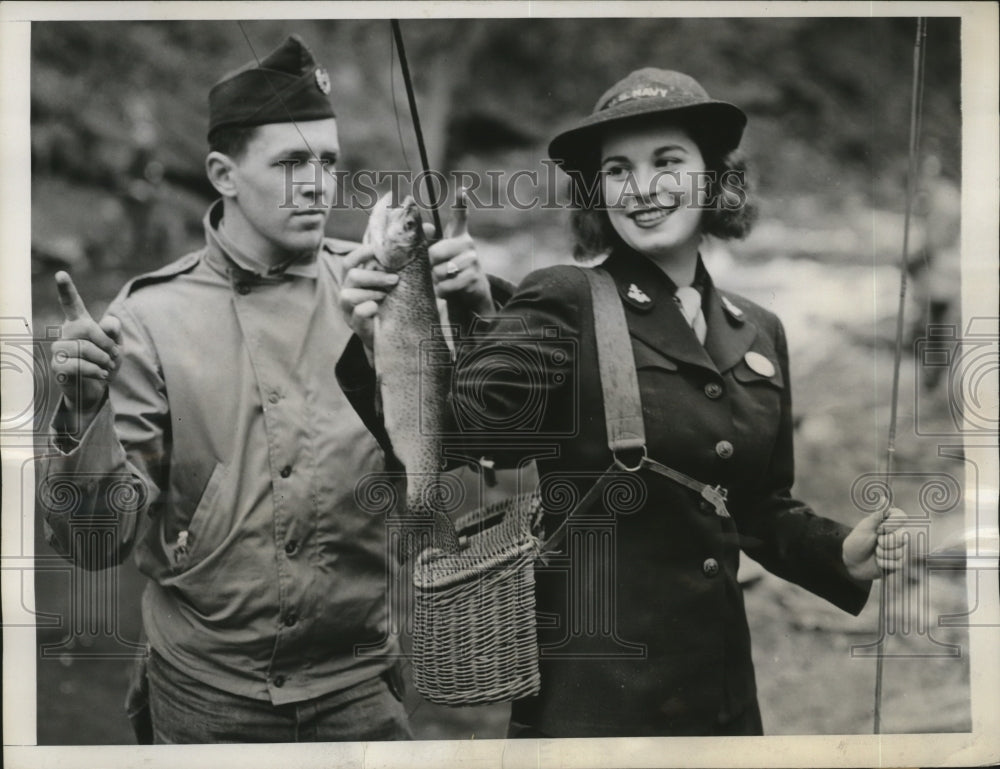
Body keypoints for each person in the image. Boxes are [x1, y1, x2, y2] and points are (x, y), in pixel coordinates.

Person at [37, 35, 493, 744]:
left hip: (360, 686)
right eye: (290, 162)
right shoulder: (145, 319)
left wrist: (470, 314)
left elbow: (464, 465)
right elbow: (95, 544)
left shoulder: (380, 287)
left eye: (328, 162)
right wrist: (82, 408)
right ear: (222, 173)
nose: (317, 183)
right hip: (206, 696)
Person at [438, 69, 907, 737]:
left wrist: (839, 553)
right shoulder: (562, 298)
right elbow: (468, 438)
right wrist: (422, 319)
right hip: (594, 706)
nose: (645, 187)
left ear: (712, 179)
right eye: (619, 170)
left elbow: (756, 504)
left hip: (721, 701)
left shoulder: (758, 327)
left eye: (668, 161)